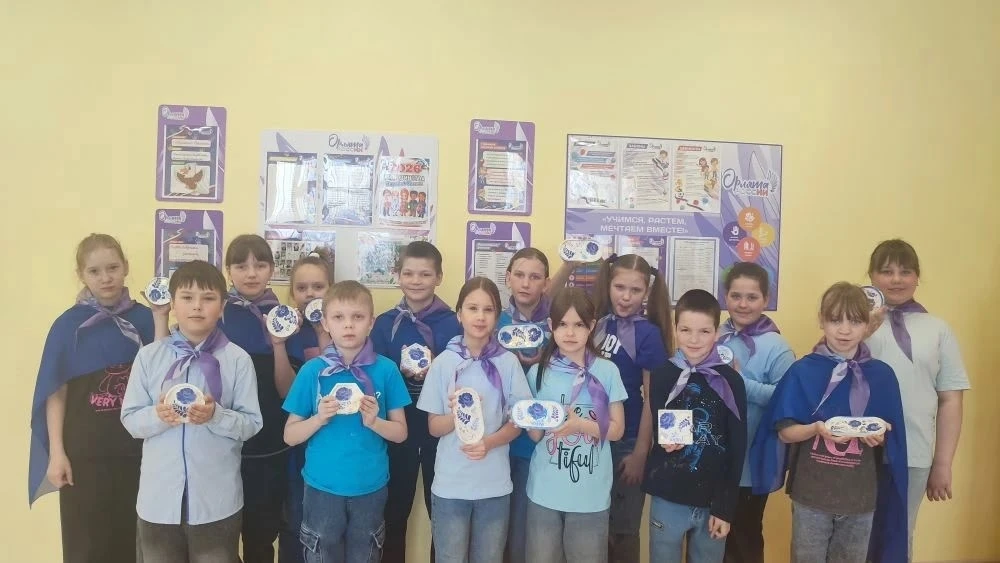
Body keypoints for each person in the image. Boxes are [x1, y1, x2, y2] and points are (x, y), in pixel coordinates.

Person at [752, 281, 908, 563]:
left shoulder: (882, 376)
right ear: (821, 321)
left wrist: (879, 436)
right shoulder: (802, 371)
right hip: (811, 495)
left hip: (860, 496)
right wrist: (815, 429)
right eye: (835, 320)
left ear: (868, 324)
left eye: (855, 321)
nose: (844, 330)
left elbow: (892, 439)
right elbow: (784, 433)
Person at [121, 260, 263, 563]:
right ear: (172, 304)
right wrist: (158, 415)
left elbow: (251, 424)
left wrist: (216, 416)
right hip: (158, 502)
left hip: (217, 503)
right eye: (187, 297)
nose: (197, 306)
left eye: (208, 298)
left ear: (222, 306)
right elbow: (130, 419)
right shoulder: (149, 357)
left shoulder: (237, 360)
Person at [28, 233, 155, 563]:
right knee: (85, 545)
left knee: (134, 542)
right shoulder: (67, 326)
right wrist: (57, 453)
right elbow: (55, 393)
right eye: (95, 271)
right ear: (81, 275)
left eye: (112, 268)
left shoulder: (148, 320)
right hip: (83, 456)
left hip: (137, 453)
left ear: (126, 267)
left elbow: (164, 382)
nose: (105, 278)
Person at [283, 280, 410, 563]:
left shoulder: (386, 370)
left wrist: (375, 422)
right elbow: (289, 435)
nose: (349, 325)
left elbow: (401, 433)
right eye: (339, 317)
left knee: (365, 554)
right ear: (326, 323)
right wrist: (318, 418)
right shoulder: (313, 371)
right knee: (322, 553)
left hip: (370, 487)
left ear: (371, 322)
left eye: (358, 317)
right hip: (321, 487)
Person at [864, 239, 970, 558]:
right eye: (887, 271)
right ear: (871, 276)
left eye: (905, 271)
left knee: (899, 536)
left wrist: (943, 463)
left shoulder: (938, 330)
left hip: (914, 453)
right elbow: (826, 371)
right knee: (854, 535)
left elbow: (950, 399)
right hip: (857, 450)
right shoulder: (853, 325)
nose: (896, 279)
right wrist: (863, 327)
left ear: (917, 277)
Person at [417, 277, 532, 563]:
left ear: (497, 316)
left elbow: (519, 420)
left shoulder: (508, 362)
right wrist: (458, 415)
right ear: (459, 314)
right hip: (451, 485)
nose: (480, 317)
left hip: (494, 485)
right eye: (472, 308)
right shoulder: (443, 363)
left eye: (488, 310)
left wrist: (489, 442)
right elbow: (433, 427)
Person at [372, 241, 461, 562]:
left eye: (425, 274)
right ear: (397, 275)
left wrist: (436, 368)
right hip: (399, 430)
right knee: (394, 512)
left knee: (443, 512)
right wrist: (399, 373)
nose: (416, 280)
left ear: (439, 277)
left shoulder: (455, 323)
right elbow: (375, 376)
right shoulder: (384, 324)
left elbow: (464, 372)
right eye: (408, 273)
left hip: (441, 431)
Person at [643, 289, 747, 563]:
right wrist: (666, 440)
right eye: (686, 330)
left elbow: (737, 446)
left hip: (713, 499)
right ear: (675, 329)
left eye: (704, 331)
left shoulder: (731, 381)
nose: (694, 339)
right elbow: (660, 428)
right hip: (669, 493)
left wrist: (725, 507)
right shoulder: (663, 374)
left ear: (716, 333)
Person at [524, 287, 626, 563]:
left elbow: (617, 430)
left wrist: (580, 425)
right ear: (551, 326)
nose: (570, 333)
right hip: (544, 491)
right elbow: (536, 436)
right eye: (562, 324)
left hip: (590, 497)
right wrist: (522, 417)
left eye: (579, 325)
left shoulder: (607, 371)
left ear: (591, 326)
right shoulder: (538, 373)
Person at [592, 253, 673, 563]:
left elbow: (653, 398)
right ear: (608, 284)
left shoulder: (648, 333)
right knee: (592, 524)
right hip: (590, 435)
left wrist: (641, 452)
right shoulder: (594, 323)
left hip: (627, 439)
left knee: (623, 529)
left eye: (635, 290)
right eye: (619, 287)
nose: (626, 297)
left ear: (647, 292)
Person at [219, 234, 292, 563]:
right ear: (228, 271)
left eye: (260, 265)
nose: (251, 273)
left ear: (272, 269)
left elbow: (289, 390)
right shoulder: (214, 314)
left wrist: (279, 345)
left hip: (270, 442)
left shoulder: (285, 317)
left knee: (262, 534)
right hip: (222, 442)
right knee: (218, 536)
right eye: (241, 266)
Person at [717, 262, 795, 563]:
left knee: (743, 537)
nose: (743, 304)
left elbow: (786, 401)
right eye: (736, 296)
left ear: (766, 299)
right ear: (726, 296)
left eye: (752, 297)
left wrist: (740, 383)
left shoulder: (777, 347)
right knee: (709, 539)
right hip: (712, 458)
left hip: (751, 461)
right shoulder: (713, 335)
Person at [278, 249, 334, 563]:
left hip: (331, 440)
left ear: (331, 290)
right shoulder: (287, 332)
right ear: (292, 293)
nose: (310, 294)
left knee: (327, 522)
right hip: (296, 438)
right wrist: (279, 343)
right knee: (295, 513)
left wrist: (323, 333)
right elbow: (286, 390)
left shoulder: (344, 330)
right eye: (301, 288)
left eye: (318, 287)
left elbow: (335, 382)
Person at [498, 247, 553, 563]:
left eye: (534, 277)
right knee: (499, 526)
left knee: (530, 528)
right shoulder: (494, 320)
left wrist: (543, 361)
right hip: (499, 438)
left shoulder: (557, 325)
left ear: (546, 283)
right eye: (519, 275)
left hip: (540, 441)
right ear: (508, 278)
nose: (526, 283)